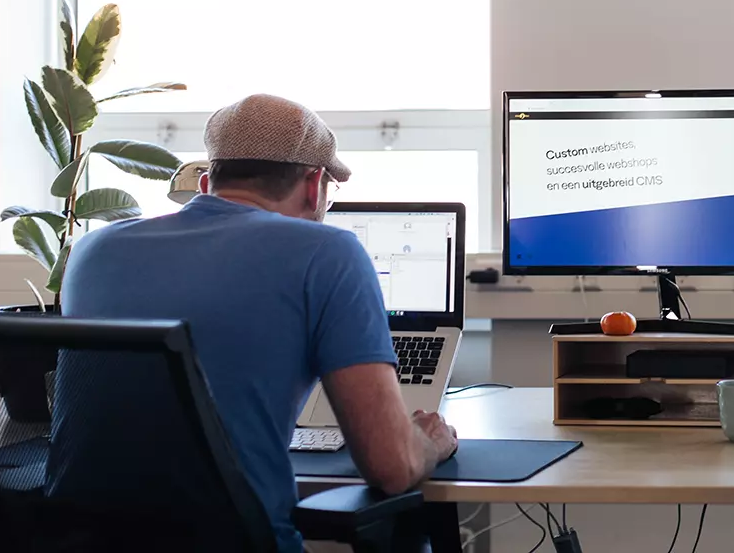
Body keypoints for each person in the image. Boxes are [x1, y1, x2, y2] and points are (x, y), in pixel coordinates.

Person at [53, 94, 457, 552]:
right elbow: (392, 466)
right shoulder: (328, 253)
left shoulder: (92, 251)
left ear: (206, 182)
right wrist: (430, 442)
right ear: (314, 185)